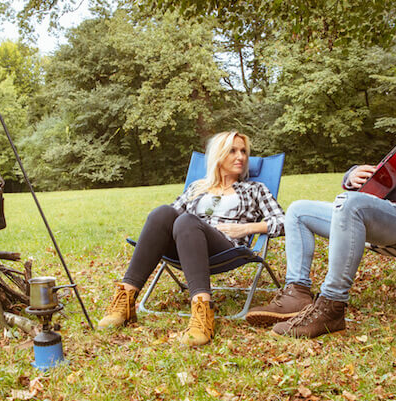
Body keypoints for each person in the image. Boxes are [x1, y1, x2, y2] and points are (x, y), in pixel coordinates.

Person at [245, 73, 396, 338]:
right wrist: (353, 174)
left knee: (351, 205)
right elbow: (376, 186)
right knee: (299, 210)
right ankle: (297, 294)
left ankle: (331, 307)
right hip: (393, 219)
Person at [98, 131, 285, 346]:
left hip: (224, 246)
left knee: (187, 220)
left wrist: (245, 229)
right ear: (218, 155)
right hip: (186, 243)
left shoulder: (255, 189)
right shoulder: (198, 188)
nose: (241, 157)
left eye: (244, 151)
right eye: (233, 151)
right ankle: (126, 301)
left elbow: (283, 222)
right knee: (162, 213)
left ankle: (202, 313)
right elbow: (167, 219)